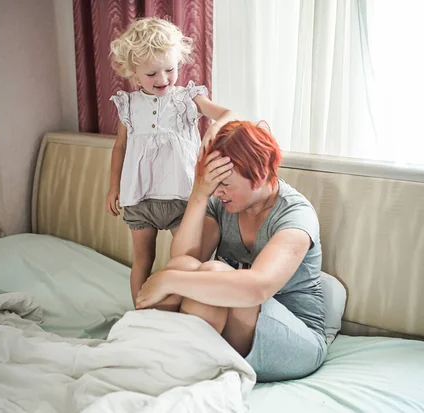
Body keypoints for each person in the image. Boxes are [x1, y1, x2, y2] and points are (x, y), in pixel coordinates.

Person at [135, 120, 328, 382]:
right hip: (235, 326)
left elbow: (257, 288)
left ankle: (173, 367)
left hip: (295, 338)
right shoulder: (221, 203)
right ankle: (172, 364)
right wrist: (199, 195)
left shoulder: (296, 215)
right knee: (189, 270)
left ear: (259, 176)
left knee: (212, 274)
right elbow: (184, 260)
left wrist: (166, 280)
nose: (218, 191)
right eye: (213, 182)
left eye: (225, 183)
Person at [105, 17, 237, 308]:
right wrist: (113, 188)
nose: (163, 79)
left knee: (185, 263)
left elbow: (227, 114)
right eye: (152, 73)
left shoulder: (187, 98)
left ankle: (179, 315)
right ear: (134, 75)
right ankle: (141, 313)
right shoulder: (128, 104)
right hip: (140, 198)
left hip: (182, 197)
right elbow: (120, 147)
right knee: (143, 259)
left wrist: (211, 132)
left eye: (170, 69)